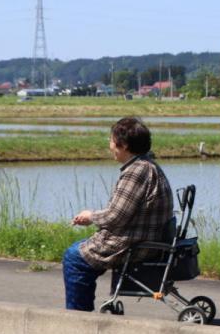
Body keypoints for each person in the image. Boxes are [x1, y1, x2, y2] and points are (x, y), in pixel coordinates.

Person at [63, 117, 172, 311]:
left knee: (74, 258)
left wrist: (90, 216)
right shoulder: (148, 164)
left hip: (133, 243)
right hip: (143, 238)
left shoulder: (136, 171)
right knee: (76, 250)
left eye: (111, 140)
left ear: (124, 146)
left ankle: (78, 316)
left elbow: (116, 216)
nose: (110, 145)